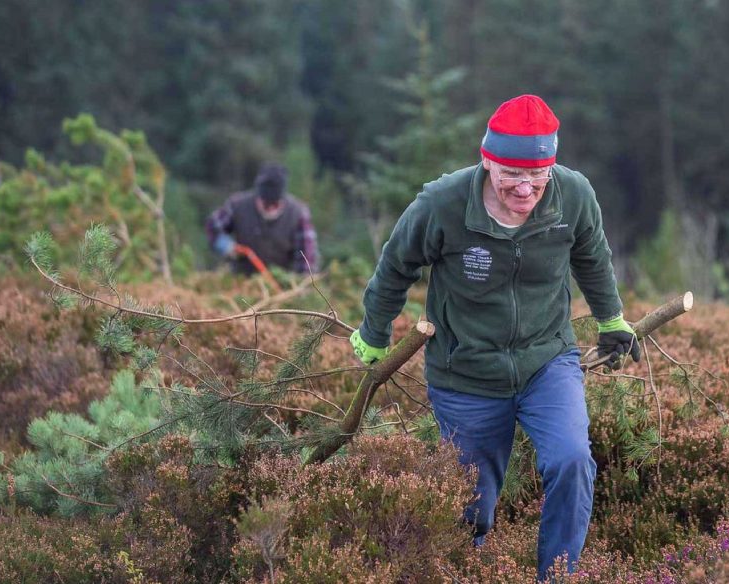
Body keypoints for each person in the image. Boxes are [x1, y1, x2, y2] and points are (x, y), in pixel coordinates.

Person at [349, 95, 640, 579]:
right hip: (465, 373)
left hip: (547, 360)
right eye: (512, 174)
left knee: (571, 461)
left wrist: (611, 319)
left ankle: (559, 575)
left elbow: (593, 257)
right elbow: (395, 265)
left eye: (537, 174)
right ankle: (469, 570)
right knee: (472, 506)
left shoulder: (573, 194)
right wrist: (375, 333)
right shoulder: (442, 203)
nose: (525, 188)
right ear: (488, 160)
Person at [205, 163, 320, 275]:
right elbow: (212, 227)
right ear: (258, 196)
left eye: (274, 204)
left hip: (280, 285)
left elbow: (307, 260)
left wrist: (298, 286)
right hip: (241, 282)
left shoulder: (298, 214)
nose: (269, 208)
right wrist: (225, 245)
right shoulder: (237, 206)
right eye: (265, 204)